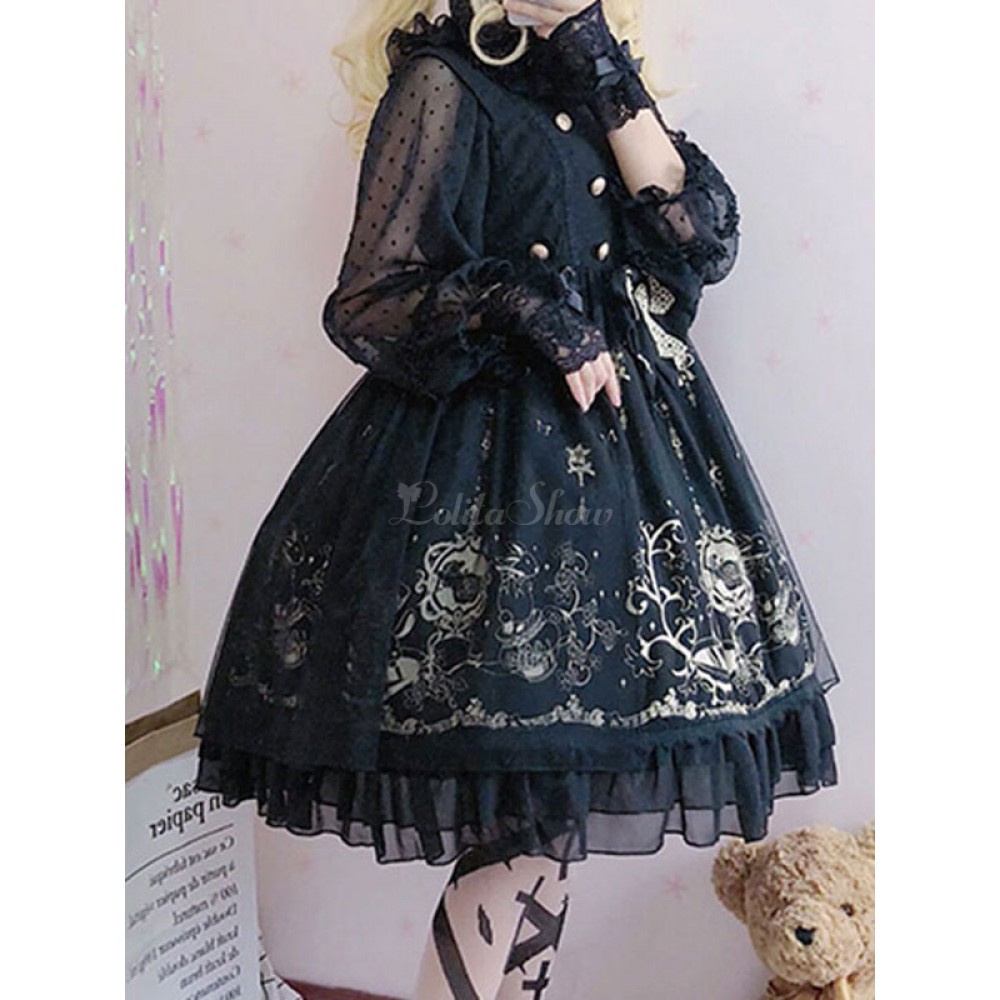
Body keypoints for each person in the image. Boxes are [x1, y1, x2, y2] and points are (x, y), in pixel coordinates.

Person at [192, 1, 842, 996]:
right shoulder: (441, 79)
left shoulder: (597, 77)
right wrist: (524, 307)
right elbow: (372, 295)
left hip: (622, 495)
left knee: (553, 814)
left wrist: (597, 56)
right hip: (486, 494)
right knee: (530, 814)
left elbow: (699, 236)